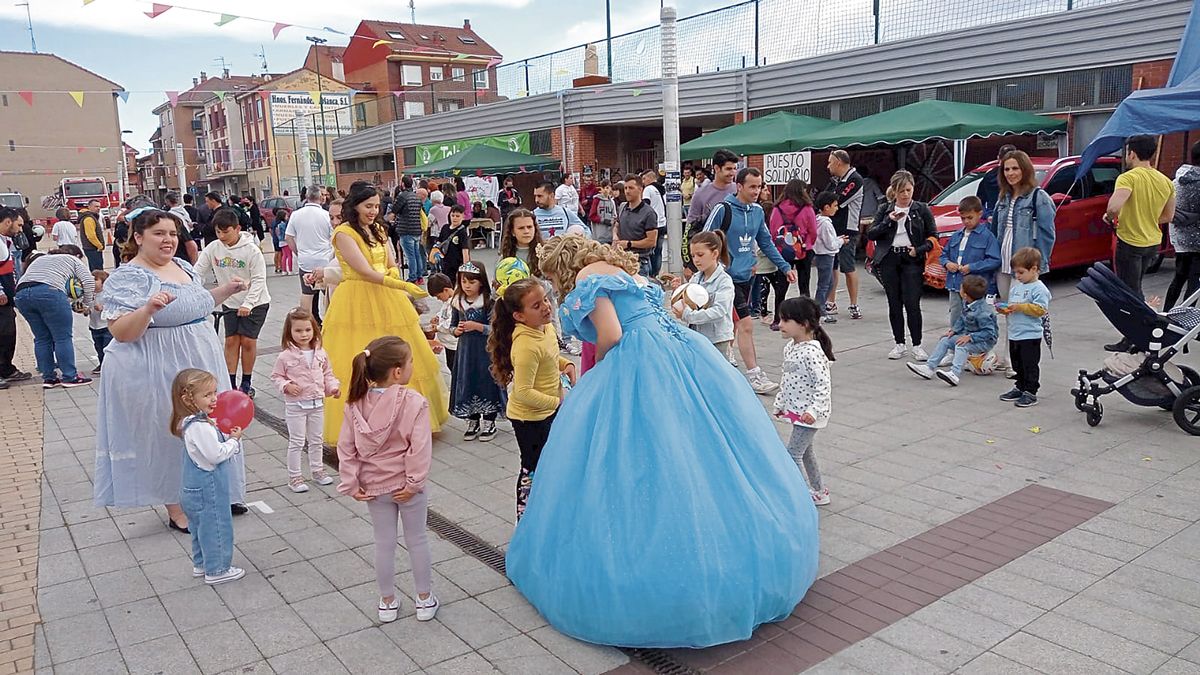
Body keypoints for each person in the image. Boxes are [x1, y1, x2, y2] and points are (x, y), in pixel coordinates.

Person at [506, 234, 818, 648]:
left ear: (563, 265)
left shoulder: (587, 277)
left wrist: (599, 369)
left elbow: (612, 333)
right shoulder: (624, 272)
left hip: (637, 360)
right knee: (699, 448)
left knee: (634, 455)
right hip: (681, 353)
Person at [94, 207, 249, 531]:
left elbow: (196, 305)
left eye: (173, 234)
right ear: (138, 237)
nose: (168, 240)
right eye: (159, 234)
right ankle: (177, 507)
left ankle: (214, 491)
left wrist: (226, 291)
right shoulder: (129, 277)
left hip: (198, 358)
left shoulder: (181, 266)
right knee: (171, 433)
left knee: (208, 425)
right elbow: (121, 331)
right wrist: (149, 308)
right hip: (157, 365)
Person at [320, 183, 449, 443]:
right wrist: (401, 284)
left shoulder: (379, 229)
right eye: (368, 206)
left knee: (401, 353)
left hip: (387, 298)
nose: (373, 211)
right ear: (354, 205)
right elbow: (364, 271)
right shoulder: (343, 234)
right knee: (360, 353)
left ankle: (407, 419)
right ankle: (368, 423)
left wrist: (395, 279)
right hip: (357, 299)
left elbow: (391, 262)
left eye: (377, 206)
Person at [337, 336, 439, 623]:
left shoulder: (355, 403)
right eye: (409, 363)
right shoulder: (414, 402)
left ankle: (387, 602)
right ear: (397, 371)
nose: (411, 367)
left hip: (373, 485)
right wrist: (414, 482)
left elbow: (346, 446)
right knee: (417, 539)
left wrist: (351, 482)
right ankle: (423, 599)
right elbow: (419, 447)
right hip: (407, 486)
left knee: (383, 543)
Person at [488, 276, 576, 519]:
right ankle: (525, 517)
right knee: (533, 469)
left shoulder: (545, 328)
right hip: (530, 420)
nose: (546, 307)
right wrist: (558, 402)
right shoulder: (525, 346)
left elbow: (549, 357)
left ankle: (549, 513)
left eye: (545, 300)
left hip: (549, 410)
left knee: (552, 465)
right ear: (519, 316)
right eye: (536, 306)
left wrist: (566, 364)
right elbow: (523, 392)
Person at [704, 167, 796, 394]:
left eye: (760, 186)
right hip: (724, 279)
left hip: (746, 277)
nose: (757, 191)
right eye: (752, 186)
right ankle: (755, 375)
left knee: (731, 326)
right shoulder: (722, 209)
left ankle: (721, 364)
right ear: (740, 186)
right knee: (745, 324)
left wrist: (784, 267)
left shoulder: (756, 212)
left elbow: (766, 242)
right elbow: (704, 240)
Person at [170, 368, 246, 585]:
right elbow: (215, 455)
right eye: (207, 395)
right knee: (216, 527)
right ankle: (218, 569)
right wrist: (233, 441)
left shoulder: (188, 422)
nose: (214, 399)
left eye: (214, 392)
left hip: (192, 488)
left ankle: (201, 563)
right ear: (188, 399)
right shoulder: (201, 427)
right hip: (207, 489)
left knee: (199, 529)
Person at [1103, 135, 1177, 352]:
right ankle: (1138, 333)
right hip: (1152, 242)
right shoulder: (1165, 181)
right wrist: (1147, 217)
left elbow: (1114, 207)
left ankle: (1134, 336)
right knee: (1136, 287)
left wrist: (1109, 216)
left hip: (1130, 241)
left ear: (1131, 153)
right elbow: (1168, 215)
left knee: (1129, 293)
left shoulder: (1128, 178)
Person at [194, 208, 271, 398]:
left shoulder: (251, 250)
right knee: (230, 341)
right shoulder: (213, 248)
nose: (221, 236)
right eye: (218, 232)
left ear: (237, 229)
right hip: (230, 302)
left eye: (225, 231)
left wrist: (249, 304)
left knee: (247, 341)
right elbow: (198, 271)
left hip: (255, 303)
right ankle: (230, 383)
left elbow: (259, 280)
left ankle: (246, 382)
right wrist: (191, 290)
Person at [991, 150, 1056, 369]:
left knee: (1022, 311)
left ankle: (1016, 363)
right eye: (1007, 169)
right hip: (1003, 261)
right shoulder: (1003, 197)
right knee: (1008, 310)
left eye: (1015, 168)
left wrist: (1037, 265)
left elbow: (1048, 234)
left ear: (1025, 169)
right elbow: (995, 230)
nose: (1010, 173)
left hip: (1023, 265)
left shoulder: (1038, 197)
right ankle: (1008, 356)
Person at [867, 170, 937, 361]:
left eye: (908, 190)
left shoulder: (921, 209)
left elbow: (933, 236)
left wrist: (919, 249)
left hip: (911, 258)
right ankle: (899, 343)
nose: (905, 195)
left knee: (912, 302)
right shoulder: (885, 209)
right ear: (894, 192)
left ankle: (917, 344)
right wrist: (889, 221)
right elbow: (871, 233)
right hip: (889, 258)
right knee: (894, 302)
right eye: (901, 191)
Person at [773, 296, 834, 506]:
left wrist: (814, 411)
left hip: (809, 415)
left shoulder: (813, 352)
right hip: (796, 411)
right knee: (806, 452)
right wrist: (780, 404)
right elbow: (786, 378)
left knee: (792, 455)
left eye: (785, 320)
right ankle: (819, 490)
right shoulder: (790, 348)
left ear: (804, 324)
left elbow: (823, 385)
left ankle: (799, 495)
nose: (780, 325)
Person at [271, 309, 340, 493]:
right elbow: (276, 376)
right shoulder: (285, 356)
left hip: (317, 403)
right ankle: (294, 477)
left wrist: (332, 387)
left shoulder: (320, 353)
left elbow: (328, 373)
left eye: (307, 330)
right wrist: (286, 385)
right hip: (296, 405)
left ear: (314, 330)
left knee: (316, 440)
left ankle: (317, 470)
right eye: (298, 331)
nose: (303, 335)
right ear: (290, 332)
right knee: (297, 441)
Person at [13, 248, 95, 388]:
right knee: (62, 337)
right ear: (76, 255)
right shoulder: (73, 260)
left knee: (41, 338)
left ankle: (49, 378)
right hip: (50, 291)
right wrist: (87, 304)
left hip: (21, 294)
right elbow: (88, 281)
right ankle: (70, 376)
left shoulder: (40, 259)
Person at [906, 275, 998, 387]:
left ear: (965, 294)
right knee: (945, 340)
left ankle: (954, 374)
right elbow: (961, 319)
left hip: (984, 342)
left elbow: (989, 332)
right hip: (970, 335)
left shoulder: (983, 312)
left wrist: (970, 337)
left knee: (961, 345)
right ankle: (929, 367)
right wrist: (954, 330)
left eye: (961, 288)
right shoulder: (967, 303)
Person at [448, 262, 503, 441]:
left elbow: (495, 329)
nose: (467, 286)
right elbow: (452, 325)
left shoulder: (489, 302)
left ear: (481, 282)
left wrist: (478, 327)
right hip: (465, 354)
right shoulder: (458, 303)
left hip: (485, 353)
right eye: (464, 282)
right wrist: (456, 331)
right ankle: (472, 420)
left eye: (472, 282)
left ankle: (489, 420)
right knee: (468, 382)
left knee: (486, 382)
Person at [997, 247, 1051, 408]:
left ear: (1034, 269)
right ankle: (1019, 386)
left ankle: (1030, 390)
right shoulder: (1017, 287)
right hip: (1015, 333)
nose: (1017, 276)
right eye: (1015, 273)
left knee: (1029, 364)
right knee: (1017, 363)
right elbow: (1013, 306)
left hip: (1030, 334)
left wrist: (1020, 307)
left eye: (1021, 272)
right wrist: (1005, 309)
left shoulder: (1039, 289)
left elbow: (1040, 310)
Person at [941, 196, 1001, 329]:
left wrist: (972, 267)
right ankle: (955, 343)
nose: (966, 221)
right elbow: (944, 254)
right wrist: (947, 263)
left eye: (970, 217)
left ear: (979, 214)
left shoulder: (987, 236)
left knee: (975, 318)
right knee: (956, 316)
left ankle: (976, 344)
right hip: (955, 285)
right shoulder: (957, 235)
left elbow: (994, 260)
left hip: (974, 287)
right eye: (963, 218)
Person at [674, 231, 734, 358]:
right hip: (697, 336)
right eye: (693, 256)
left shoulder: (724, 281)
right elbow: (690, 302)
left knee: (718, 374)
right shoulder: (696, 278)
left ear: (715, 253)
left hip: (717, 340)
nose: (696, 260)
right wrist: (678, 292)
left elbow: (719, 311)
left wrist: (688, 315)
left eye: (700, 255)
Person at [824, 150, 865, 320]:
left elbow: (836, 201)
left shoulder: (854, 180)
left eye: (830, 162)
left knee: (848, 267)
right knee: (831, 267)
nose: (828, 166)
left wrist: (826, 199)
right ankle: (830, 303)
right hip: (832, 228)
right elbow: (823, 198)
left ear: (839, 162)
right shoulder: (837, 181)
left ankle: (854, 304)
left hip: (847, 230)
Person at [285, 186, 334, 326]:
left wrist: (298, 253)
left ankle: (305, 323)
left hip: (305, 261)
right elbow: (333, 237)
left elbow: (288, 237)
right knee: (329, 293)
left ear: (307, 197)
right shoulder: (326, 215)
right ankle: (331, 321)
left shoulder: (296, 214)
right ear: (320, 197)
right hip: (324, 260)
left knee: (307, 293)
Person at [684, 150, 738, 272]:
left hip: (738, 257)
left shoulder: (738, 190)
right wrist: (687, 264)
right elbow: (690, 228)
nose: (733, 173)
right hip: (712, 260)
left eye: (735, 169)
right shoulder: (701, 194)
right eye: (729, 169)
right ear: (717, 168)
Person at [0, 209, 33, 389]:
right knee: (3, 333)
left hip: (7, 294)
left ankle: (6, 369)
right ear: (7, 222)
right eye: (18, 225)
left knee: (8, 332)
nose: (21, 229)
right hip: (2, 296)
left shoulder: (6, 242)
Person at [1167, 141, 1200, 310]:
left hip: (1180, 239)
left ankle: (1165, 314)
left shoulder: (1177, 180)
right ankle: (1185, 322)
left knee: (1179, 278)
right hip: (1198, 241)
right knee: (1194, 285)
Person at [811, 192, 848, 324]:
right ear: (827, 207)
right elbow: (830, 244)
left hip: (825, 255)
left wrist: (838, 239)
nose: (836, 208)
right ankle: (819, 311)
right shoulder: (825, 223)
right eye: (835, 205)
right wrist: (841, 242)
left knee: (829, 283)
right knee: (824, 284)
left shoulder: (819, 220)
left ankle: (820, 308)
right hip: (825, 255)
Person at [614, 174, 658, 277]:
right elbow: (616, 225)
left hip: (639, 262)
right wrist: (615, 236)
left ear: (640, 189)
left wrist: (629, 244)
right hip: (622, 260)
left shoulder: (648, 213)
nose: (627, 191)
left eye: (631, 188)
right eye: (625, 188)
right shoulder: (622, 207)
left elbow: (652, 241)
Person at [390, 176, 426, 283]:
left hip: (406, 229)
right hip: (416, 229)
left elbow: (395, 209)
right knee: (416, 254)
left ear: (403, 184)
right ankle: (420, 276)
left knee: (410, 256)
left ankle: (413, 277)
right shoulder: (416, 197)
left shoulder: (403, 196)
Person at [978, 144, 1018, 223]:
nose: (1009, 173)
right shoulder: (989, 176)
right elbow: (979, 203)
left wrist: (987, 215)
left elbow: (979, 202)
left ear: (998, 158)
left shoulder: (989, 176)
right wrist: (987, 215)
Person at [427, 273, 457, 376]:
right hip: (448, 343)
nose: (438, 299)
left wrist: (438, 328)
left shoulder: (455, 303)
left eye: (439, 296)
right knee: (450, 365)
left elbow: (451, 323)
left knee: (455, 367)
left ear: (446, 290)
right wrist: (437, 318)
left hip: (454, 344)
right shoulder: (446, 302)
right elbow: (443, 313)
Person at [640, 169, 669, 276]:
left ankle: (651, 275)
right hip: (662, 222)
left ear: (650, 178)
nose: (643, 182)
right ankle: (656, 274)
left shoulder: (648, 189)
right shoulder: (661, 190)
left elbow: (645, 205)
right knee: (658, 251)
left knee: (650, 251)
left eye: (644, 178)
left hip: (653, 224)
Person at [434, 205, 471, 276]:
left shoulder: (462, 232)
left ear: (463, 217)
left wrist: (465, 268)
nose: (454, 218)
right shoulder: (445, 228)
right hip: (444, 263)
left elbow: (465, 250)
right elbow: (439, 242)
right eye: (453, 215)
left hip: (457, 265)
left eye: (457, 216)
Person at [88, 270, 112, 376]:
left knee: (107, 346)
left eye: (95, 279)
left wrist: (103, 308)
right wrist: (84, 310)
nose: (92, 282)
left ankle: (109, 365)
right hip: (94, 326)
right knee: (98, 347)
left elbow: (113, 307)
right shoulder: (89, 295)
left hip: (106, 326)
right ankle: (102, 363)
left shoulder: (107, 295)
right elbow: (87, 308)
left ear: (104, 282)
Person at [79, 199, 107, 271]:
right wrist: (99, 246)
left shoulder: (92, 217)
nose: (98, 208)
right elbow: (91, 236)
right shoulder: (89, 219)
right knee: (97, 270)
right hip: (93, 249)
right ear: (89, 207)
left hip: (92, 248)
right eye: (96, 206)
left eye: (99, 207)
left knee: (94, 269)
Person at [588, 180, 617, 245]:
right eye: (604, 188)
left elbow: (614, 216)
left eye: (608, 188)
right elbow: (592, 216)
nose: (606, 190)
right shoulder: (597, 200)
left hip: (609, 235)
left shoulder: (612, 202)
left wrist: (613, 220)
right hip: (599, 235)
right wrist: (603, 220)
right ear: (601, 189)